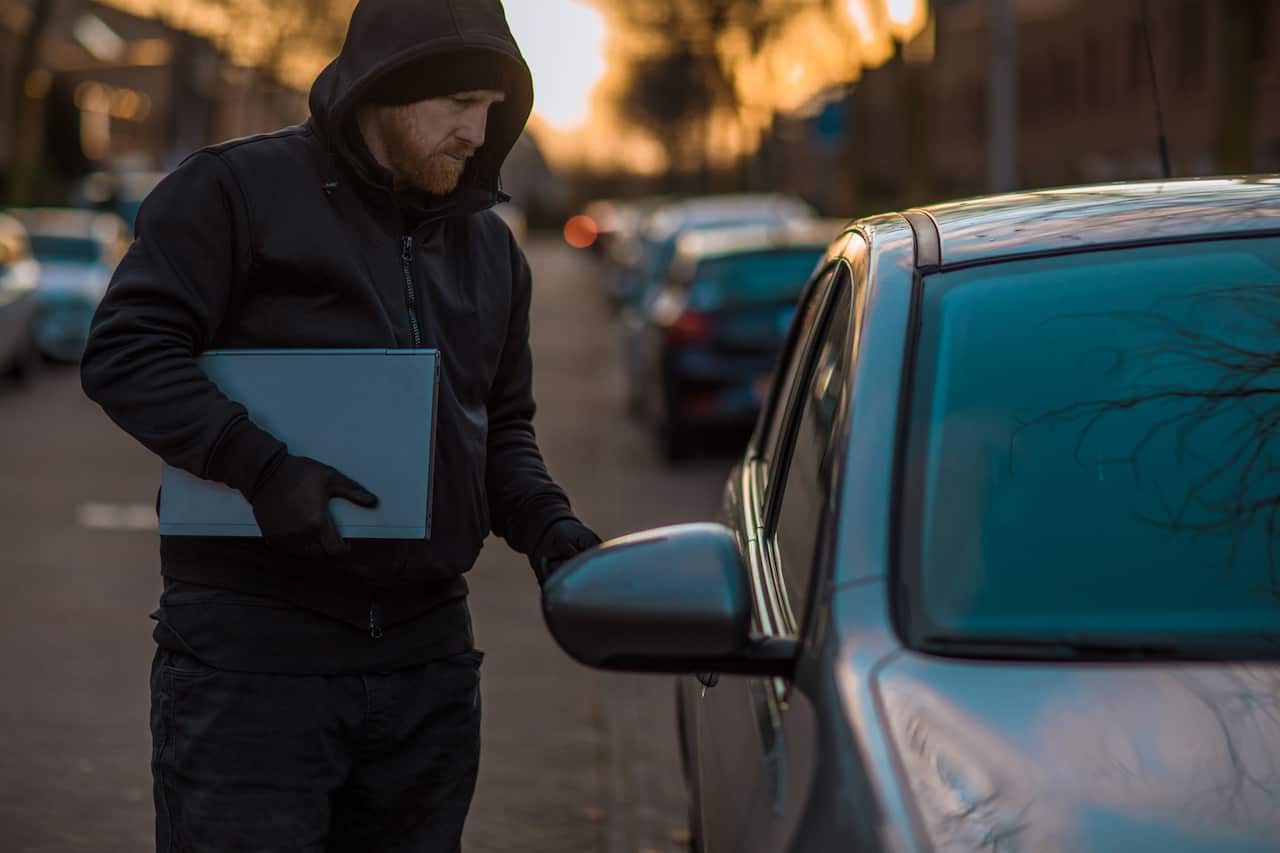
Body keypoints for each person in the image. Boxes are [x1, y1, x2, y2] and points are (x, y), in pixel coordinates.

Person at [79, 0, 601, 849]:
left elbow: (499, 428)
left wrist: (553, 529)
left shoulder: (493, 252)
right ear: (386, 90)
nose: (479, 131)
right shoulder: (232, 193)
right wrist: (262, 467)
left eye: (493, 109)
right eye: (458, 103)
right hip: (251, 667)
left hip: (427, 672)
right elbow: (126, 352)